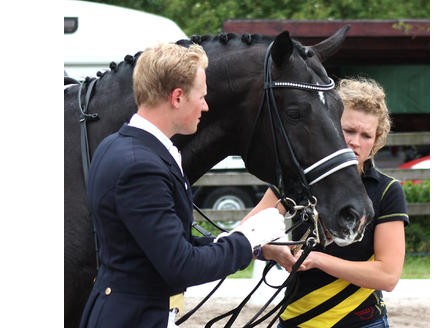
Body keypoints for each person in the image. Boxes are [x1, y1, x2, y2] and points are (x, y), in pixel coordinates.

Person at [78, 43, 286, 328]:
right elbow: (181, 265)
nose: (205, 105)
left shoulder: (119, 145)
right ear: (177, 97)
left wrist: (256, 248)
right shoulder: (141, 166)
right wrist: (250, 236)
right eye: (201, 96)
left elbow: (169, 245)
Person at [249, 77, 409, 327]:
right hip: (296, 320)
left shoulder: (387, 190)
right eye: (349, 131)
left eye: (366, 135)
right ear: (330, 126)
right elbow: (245, 236)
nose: (356, 142)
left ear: (376, 141)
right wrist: (269, 250)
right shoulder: (295, 182)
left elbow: (388, 276)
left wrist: (316, 260)